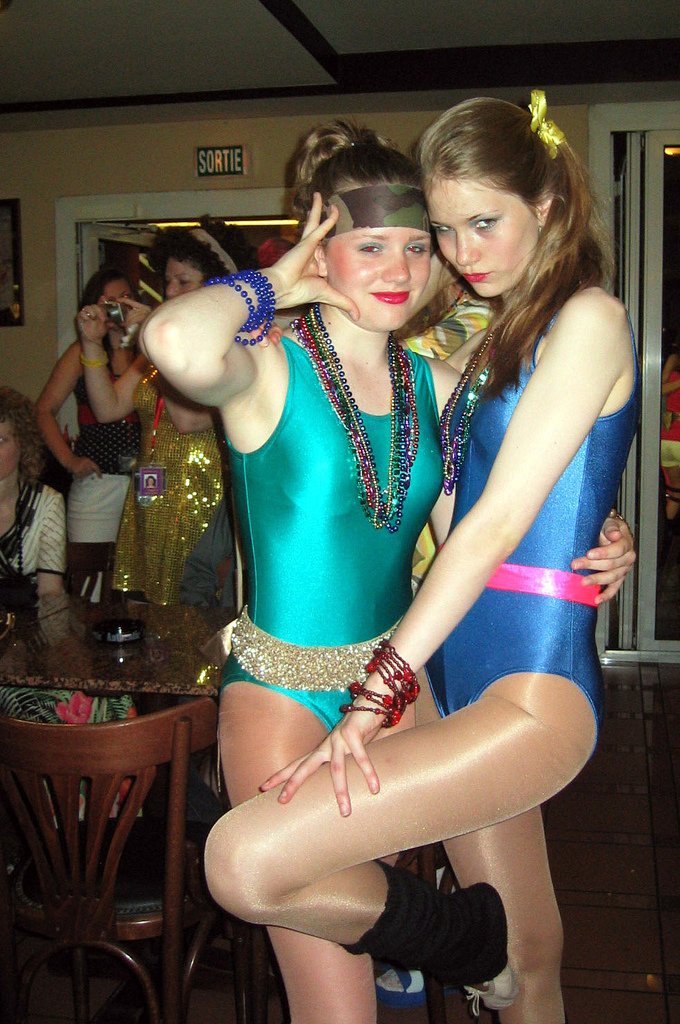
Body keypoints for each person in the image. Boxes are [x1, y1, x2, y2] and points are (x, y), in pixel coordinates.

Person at [140, 114, 636, 1024]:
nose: (403, 268)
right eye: (370, 245)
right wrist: (278, 280)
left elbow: (488, 521)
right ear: (322, 244)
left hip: (415, 687)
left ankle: (472, 950)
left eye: (419, 244)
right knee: (338, 1005)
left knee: (536, 952)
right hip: (286, 699)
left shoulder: (436, 384)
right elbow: (174, 343)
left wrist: (597, 534)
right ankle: (453, 941)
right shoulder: (266, 368)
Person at [77, 223, 240, 604]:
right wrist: (92, 344)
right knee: (148, 617)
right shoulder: (156, 353)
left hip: (201, 504)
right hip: (152, 502)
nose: (169, 292)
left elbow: (187, 420)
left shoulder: (228, 350)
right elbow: (107, 408)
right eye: (167, 281)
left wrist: (153, 336)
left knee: (193, 614)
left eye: (183, 281)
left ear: (214, 288)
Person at [0, 387, 135, 723]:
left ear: (22, 444)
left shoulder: (46, 502)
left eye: (1, 440)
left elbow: (50, 593)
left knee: (111, 704)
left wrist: (46, 650)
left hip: (33, 635)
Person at [35, 267, 141, 543]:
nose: (118, 307)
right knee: (89, 565)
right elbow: (44, 410)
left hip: (148, 481)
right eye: (109, 301)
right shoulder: (82, 352)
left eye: (125, 297)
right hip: (98, 481)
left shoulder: (148, 350)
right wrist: (69, 460)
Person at [661, 330, 680, 522]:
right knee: (675, 489)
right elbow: (659, 389)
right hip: (671, 435)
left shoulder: (674, 359)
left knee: (675, 489)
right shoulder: (675, 359)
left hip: (669, 437)